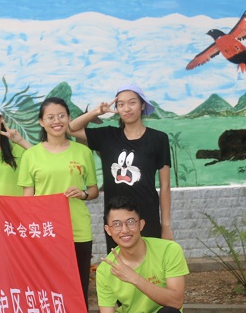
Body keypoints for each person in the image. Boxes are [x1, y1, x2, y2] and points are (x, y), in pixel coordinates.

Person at [68, 83, 172, 253]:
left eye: (132, 102)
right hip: (115, 219)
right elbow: (71, 129)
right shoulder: (107, 136)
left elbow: (165, 186)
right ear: (116, 109)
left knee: (149, 262)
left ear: (142, 105)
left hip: (147, 216)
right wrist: (96, 112)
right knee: (119, 263)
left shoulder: (158, 139)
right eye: (121, 104)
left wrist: (166, 226)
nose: (127, 108)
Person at [18, 97, 98, 309]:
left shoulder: (83, 152)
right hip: (46, 231)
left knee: (79, 287)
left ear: (69, 118)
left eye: (61, 116)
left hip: (78, 229)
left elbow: (93, 190)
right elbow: (28, 200)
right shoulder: (31, 155)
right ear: (41, 122)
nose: (57, 121)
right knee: (48, 288)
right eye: (50, 117)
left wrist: (82, 194)